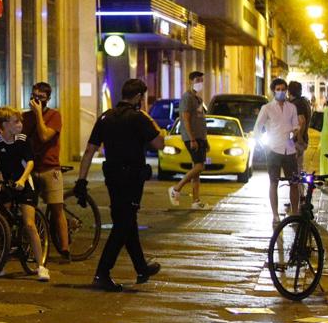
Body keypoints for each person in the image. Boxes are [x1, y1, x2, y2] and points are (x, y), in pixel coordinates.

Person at [75, 79, 163, 292]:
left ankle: (141, 267)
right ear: (139, 97)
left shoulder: (105, 117)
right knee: (123, 225)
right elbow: (160, 143)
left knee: (126, 220)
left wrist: (81, 180)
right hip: (132, 178)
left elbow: (89, 150)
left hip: (113, 177)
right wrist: (147, 116)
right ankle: (102, 273)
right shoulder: (139, 117)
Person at [0, 107, 49, 281]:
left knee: (29, 224)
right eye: (16, 121)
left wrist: (22, 180)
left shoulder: (23, 141)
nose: (20, 125)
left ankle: (41, 266)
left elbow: (30, 163)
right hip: (6, 185)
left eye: (20, 121)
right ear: (5, 125)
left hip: (23, 185)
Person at [21, 82, 70, 260]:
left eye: (40, 98)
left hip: (50, 168)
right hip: (31, 168)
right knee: (26, 207)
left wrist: (38, 115)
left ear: (48, 99)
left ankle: (64, 248)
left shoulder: (54, 116)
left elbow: (44, 136)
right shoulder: (25, 117)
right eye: (34, 96)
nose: (36, 100)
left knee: (57, 209)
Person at [254, 78, 301, 224]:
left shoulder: (291, 108)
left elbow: (296, 125)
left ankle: (295, 213)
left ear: (286, 90)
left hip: (290, 150)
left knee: (294, 183)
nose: (281, 92)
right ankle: (275, 215)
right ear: (274, 90)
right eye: (278, 89)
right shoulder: (267, 108)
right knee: (273, 182)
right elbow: (257, 127)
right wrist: (262, 145)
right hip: (273, 150)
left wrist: (295, 133)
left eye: (283, 89)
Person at [168, 71, 209, 210]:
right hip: (192, 137)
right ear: (190, 81)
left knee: (196, 171)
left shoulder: (198, 99)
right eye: (197, 80)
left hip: (200, 137)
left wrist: (205, 138)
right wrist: (192, 138)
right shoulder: (187, 97)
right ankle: (176, 188)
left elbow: (200, 119)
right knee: (199, 166)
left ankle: (196, 201)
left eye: (201, 80)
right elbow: (185, 119)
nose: (200, 83)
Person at [289, 81, 313, 174]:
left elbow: (301, 121)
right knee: (298, 169)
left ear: (289, 91)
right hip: (301, 139)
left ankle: (298, 188)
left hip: (296, 141)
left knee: (295, 172)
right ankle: (298, 188)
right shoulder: (304, 102)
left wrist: (299, 138)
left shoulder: (296, 104)